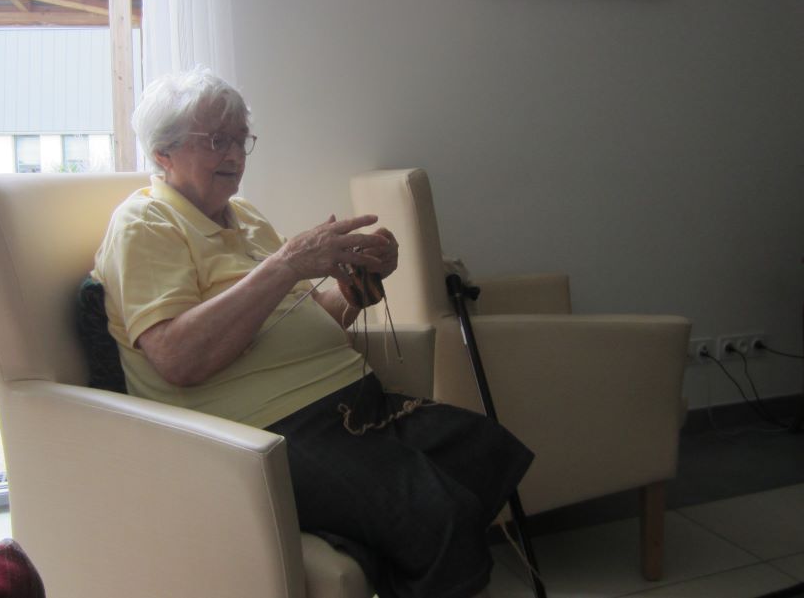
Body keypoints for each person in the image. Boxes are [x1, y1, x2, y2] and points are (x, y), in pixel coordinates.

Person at [91, 68, 533, 598]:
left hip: (349, 403)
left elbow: (306, 315)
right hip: (268, 428)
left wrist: (358, 283)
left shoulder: (245, 215)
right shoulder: (146, 223)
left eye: (240, 139)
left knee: (483, 449)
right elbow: (177, 358)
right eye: (216, 140)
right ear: (163, 153)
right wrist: (286, 263)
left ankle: (374, 547)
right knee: (436, 511)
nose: (234, 154)